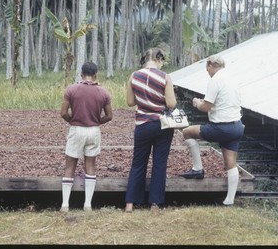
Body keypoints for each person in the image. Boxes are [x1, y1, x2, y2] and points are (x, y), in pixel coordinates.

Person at [179, 55, 245, 206]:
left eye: (206, 68)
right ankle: (229, 200)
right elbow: (224, 103)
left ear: (210, 65)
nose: (207, 72)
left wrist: (197, 103)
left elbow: (206, 107)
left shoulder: (215, 80)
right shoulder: (232, 79)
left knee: (187, 132)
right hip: (236, 126)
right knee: (231, 164)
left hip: (221, 127)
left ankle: (197, 168)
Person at [124, 48, 177, 213]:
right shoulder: (165, 77)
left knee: (138, 163)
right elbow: (171, 104)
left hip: (142, 124)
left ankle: (130, 203)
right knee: (159, 163)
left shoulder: (134, 76)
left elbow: (130, 102)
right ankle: (155, 203)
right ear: (159, 59)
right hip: (162, 125)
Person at [60, 62, 113, 212]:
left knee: (70, 165)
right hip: (94, 130)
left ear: (81, 74)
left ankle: (65, 204)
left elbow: (63, 112)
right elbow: (109, 116)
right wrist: (97, 121)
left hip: (77, 129)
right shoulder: (103, 92)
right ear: (96, 74)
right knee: (90, 165)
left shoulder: (72, 89)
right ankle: (88, 204)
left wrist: (72, 120)